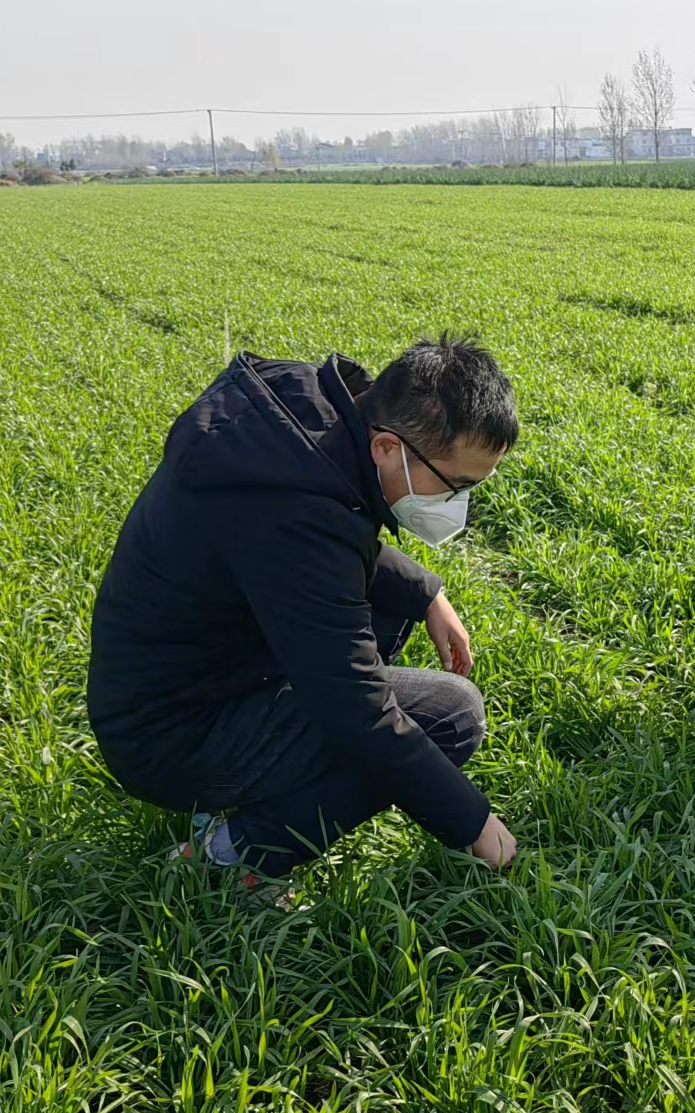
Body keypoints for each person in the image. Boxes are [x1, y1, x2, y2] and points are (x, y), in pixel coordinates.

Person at [88, 336, 521, 889]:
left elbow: (324, 541)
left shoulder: (299, 425)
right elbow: (357, 708)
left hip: (174, 689)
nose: (458, 505)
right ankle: (229, 860)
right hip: (171, 734)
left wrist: (425, 594)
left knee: (385, 612)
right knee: (450, 718)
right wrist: (475, 824)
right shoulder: (297, 516)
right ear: (388, 448)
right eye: (456, 485)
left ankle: (255, 790)